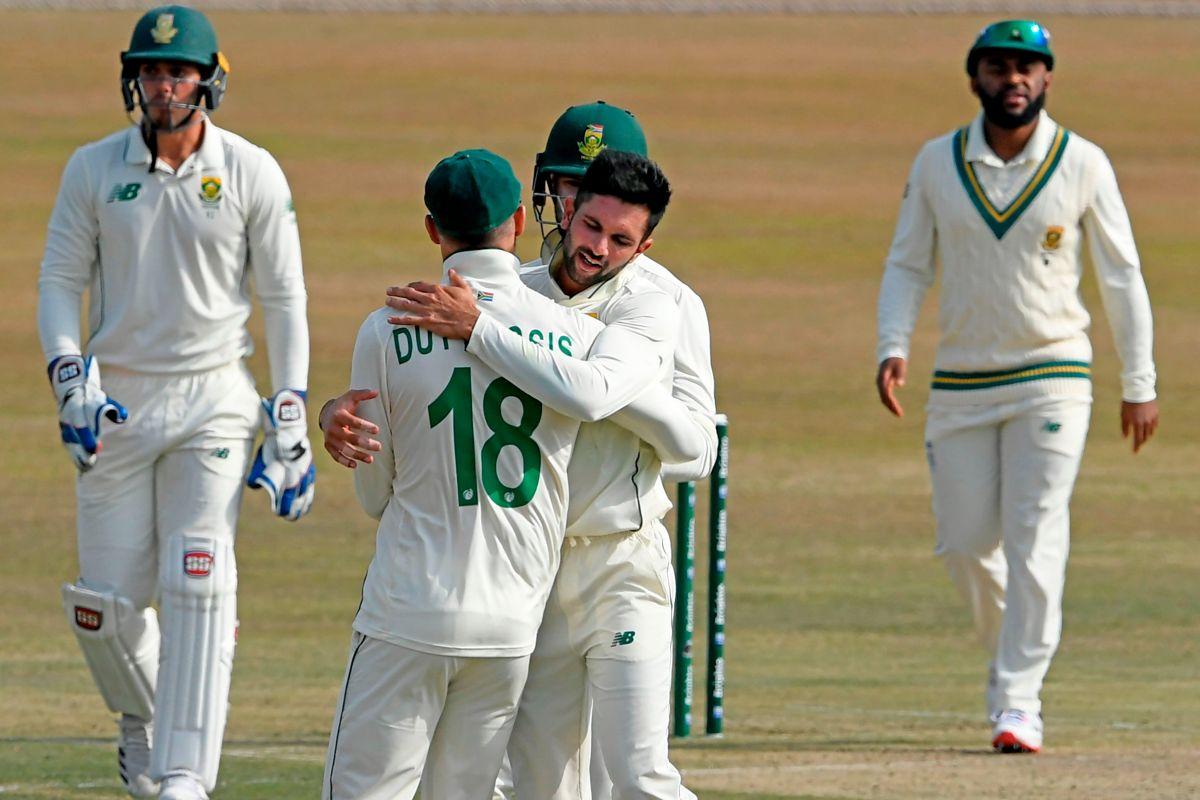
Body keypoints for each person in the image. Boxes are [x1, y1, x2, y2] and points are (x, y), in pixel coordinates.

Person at [328, 110, 716, 798]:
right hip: (532, 573)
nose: (591, 237)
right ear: (544, 202)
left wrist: (484, 332)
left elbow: (689, 446)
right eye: (574, 201)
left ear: (645, 239)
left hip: (622, 559)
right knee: (540, 783)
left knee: (635, 773)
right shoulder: (525, 292)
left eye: (618, 233)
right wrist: (337, 411)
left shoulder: (662, 304)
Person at [38, 6, 313, 799]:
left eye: (179, 73)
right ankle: (144, 724)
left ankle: (187, 774)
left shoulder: (252, 170)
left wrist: (287, 408)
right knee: (107, 610)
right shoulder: (93, 169)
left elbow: (285, 296)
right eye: (153, 72)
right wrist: (66, 373)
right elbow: (59, 281)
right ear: (135, 79)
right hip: (116, 400)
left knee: (199, 574)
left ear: (208, 81)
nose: (164, 86)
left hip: (215, 400)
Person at [875, 20, 1158, 754]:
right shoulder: (938, 162)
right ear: (975, 78)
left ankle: (1018, 699)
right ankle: (1013, 661)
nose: (1014, 80)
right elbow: (908, 263)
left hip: (1055, 374)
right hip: (963, 380)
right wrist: (892, 345)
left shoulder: (1083, 163)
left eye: (1028, 68)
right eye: (999, 67)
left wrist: (1140, 381)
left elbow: (1121, 275)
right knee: (966, 545)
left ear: (1049, 79)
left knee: (1036, 537)